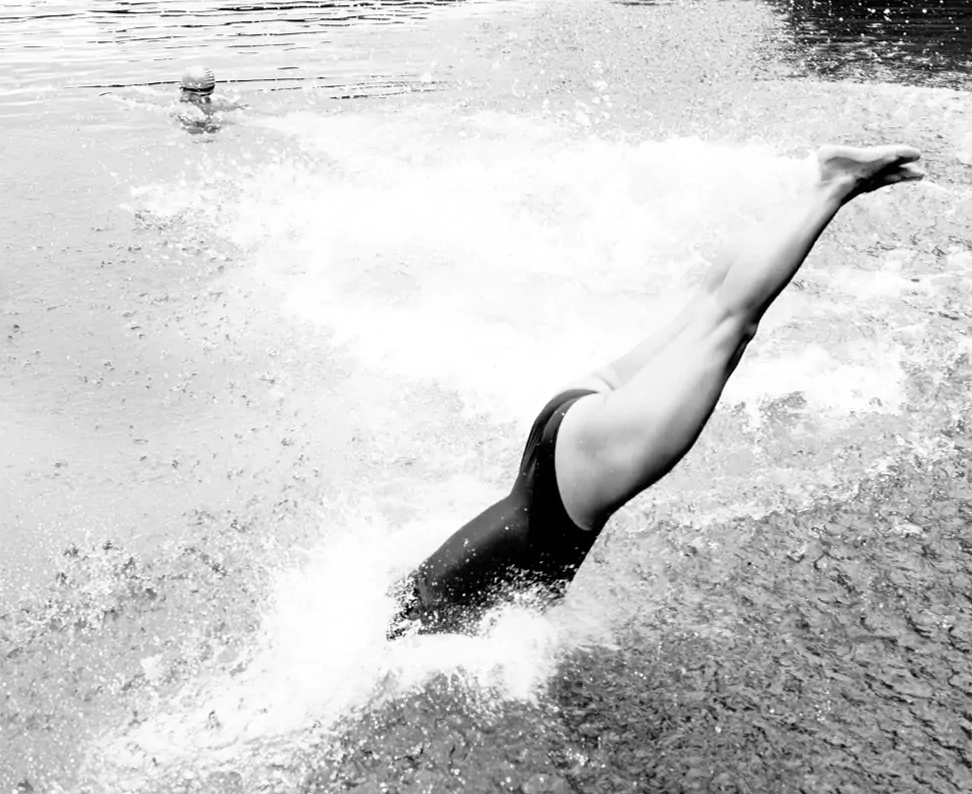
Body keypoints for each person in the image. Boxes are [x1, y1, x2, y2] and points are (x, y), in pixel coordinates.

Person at [388, 143, 925, 637]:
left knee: (728, 325)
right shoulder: (412, 596)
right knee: (707, 309)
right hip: (560, 430)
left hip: (573, 484)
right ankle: (811, 192)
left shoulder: (419, 633)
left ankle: (833, 184)